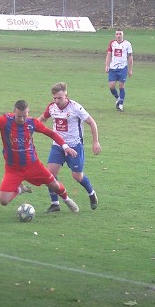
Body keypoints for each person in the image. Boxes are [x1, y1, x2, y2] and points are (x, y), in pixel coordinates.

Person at [0, 100, 80, 213]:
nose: (22, 119)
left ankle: (67, 199)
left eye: (24, 116)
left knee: (54, 185)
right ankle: (20, 189)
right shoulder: (5, 121)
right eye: (19, 116)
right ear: (13, 113)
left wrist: (65, 147)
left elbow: (51, 133)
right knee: (3, 201)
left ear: (28, 113)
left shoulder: (32, 123)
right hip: (13, 169)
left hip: (33, 165)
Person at [37, 82, 101, 212]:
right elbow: (42, 119)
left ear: (66, 95)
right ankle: (55, 204)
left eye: (59, 98)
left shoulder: (75, 107)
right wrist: (29, 127)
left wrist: (95, 142)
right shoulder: (51, 107)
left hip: (74, 146)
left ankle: (91, 193)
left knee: (77, 176)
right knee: (50, 175)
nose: (56, 101)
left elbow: (91, 122)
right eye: (54, 98)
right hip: (58, 146)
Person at [105, 29, 133, 112]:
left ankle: (121, 104)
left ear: (123, 35)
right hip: (113, 68)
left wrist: (130, 69)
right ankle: (118, 98)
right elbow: (109, 55)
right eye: (117, 34)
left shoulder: (127, 44)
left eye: (120, 34)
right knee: (111, 86)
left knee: (121, 85)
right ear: (115, 35)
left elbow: (130, 57)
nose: (118, 35)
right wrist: (107, 66)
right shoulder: (112, 43)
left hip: (123, 68)